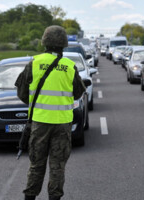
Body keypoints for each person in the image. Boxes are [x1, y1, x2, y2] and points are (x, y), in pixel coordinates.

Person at [15, 25, 86, 200]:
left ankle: (30, 197)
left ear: (44, 42)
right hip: (62, 124)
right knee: (58, 166)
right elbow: (78, 92)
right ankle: (54, 197)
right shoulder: (70, 66)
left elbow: (22, 93)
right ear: (64, 44)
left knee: (36, 165)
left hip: (39, 123)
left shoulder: (34, 63)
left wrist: (38, 104)